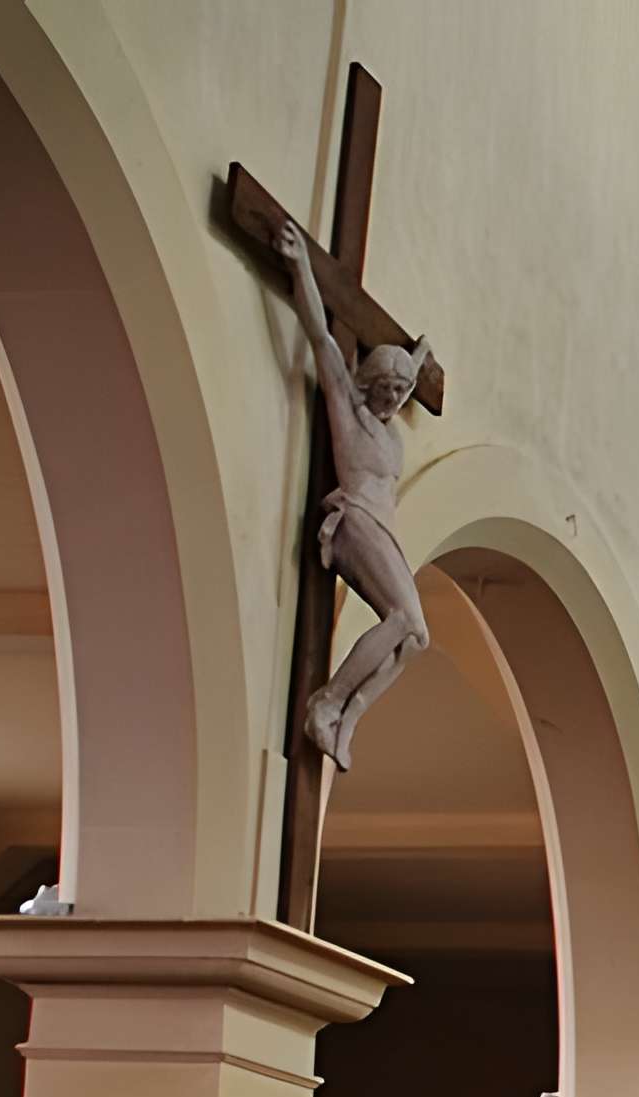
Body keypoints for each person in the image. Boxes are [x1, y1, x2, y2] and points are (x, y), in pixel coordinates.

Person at [277, 221, 436, 771]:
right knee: (403, 615)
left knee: (417, 636)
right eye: (387, 387)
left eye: (402, 390)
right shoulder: (349, 407)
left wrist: (417, 359)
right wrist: (301, 266)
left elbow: (415, 366)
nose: (394, 398)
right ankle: (326, 704)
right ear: (368, 381)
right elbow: (321, 337)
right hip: (352, 517)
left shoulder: (392, 435)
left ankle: (349, 714)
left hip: (382, 529)